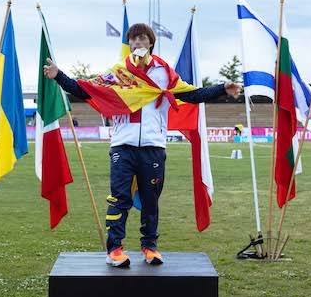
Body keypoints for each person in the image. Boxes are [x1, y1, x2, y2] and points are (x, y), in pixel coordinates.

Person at [44, 23, 240, 267]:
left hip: (153, 146)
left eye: (142, 39)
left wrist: (222, 88)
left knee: (150, 199)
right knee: (119, 198)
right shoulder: (118, 72)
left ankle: (150, 247)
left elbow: (192, 94)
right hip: (122, 146)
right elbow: (86, 90)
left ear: (150, 43)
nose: (137, 43)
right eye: (133, 40)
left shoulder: (164, 73)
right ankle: (114, 249)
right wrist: (59, 75)